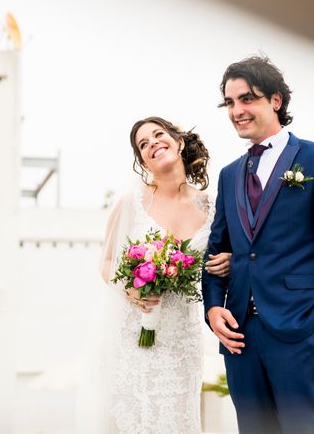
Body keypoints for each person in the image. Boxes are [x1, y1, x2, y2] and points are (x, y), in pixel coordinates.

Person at [202, 56, 314, 434]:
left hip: (301, 334)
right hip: (241, 338)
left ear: (275, 100)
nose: (237, 111)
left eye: (246, 99)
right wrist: (212, 308)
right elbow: (216, 250)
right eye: (230, 102)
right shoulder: (228, 175)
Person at [100, 116, 231, 434]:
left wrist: (230, 260)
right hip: (136, 334)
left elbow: (222, 258)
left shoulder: (211, 207)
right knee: (138, 418)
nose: (152, 143)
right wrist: (130, 291)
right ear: (142, 160)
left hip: (182, 337)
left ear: (179, 141)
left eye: (158, 135)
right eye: (143, 144)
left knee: (179, 419)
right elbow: (106, 261)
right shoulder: (133, 201)